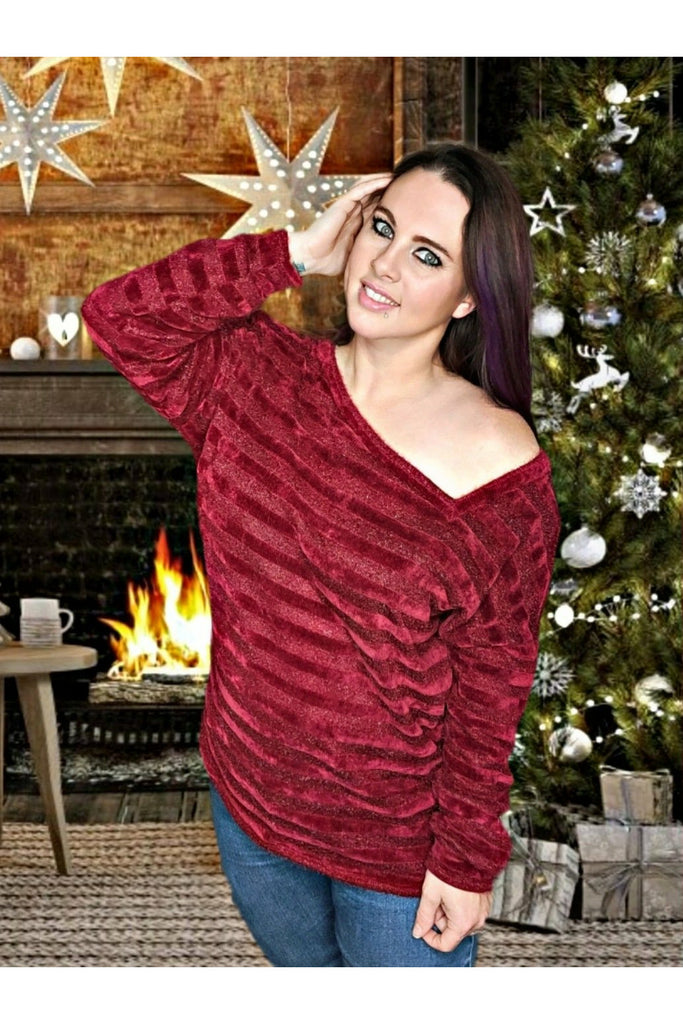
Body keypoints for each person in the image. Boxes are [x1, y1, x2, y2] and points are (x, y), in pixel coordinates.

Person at [82, 143, 560, 968]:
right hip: (251, 807)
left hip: (396, 845)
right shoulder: (252, 377)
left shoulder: (500, 458)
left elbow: (493, 676)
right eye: (382, 227)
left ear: (468, 296)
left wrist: (464, 857)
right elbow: (118, 314)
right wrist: (293, 252)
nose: (385, 264)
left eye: (427, 255)